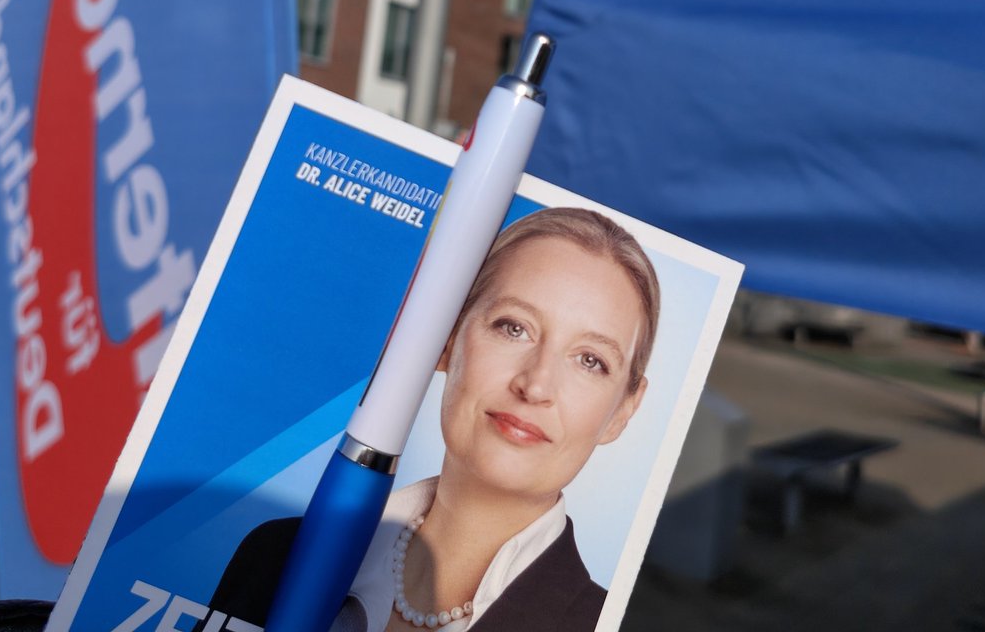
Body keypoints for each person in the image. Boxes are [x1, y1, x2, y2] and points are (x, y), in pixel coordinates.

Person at [205, 208, 660, 631]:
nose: (536, 385)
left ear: (624, 410)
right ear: (447, 338)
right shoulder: (273, 557)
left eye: (590, 360)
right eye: (513, 327)